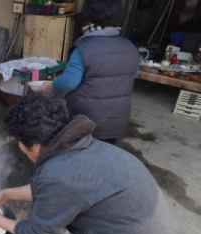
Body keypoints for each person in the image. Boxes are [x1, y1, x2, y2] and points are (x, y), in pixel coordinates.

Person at [0, 93, 174, 234]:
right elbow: (63, 190)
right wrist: (7, 193)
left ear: (35, 144)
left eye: (19, 141)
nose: (20, 146)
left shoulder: (59, 174)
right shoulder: (81, 145)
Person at [36, 0, 139, 145]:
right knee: (102, 156)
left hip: (85, 121)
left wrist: (50, 85)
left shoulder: (85, 47)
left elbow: (68, 82)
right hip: (117, 121)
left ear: (88, 18)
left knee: (78, 157)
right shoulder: (130, 47)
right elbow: (133, 73)